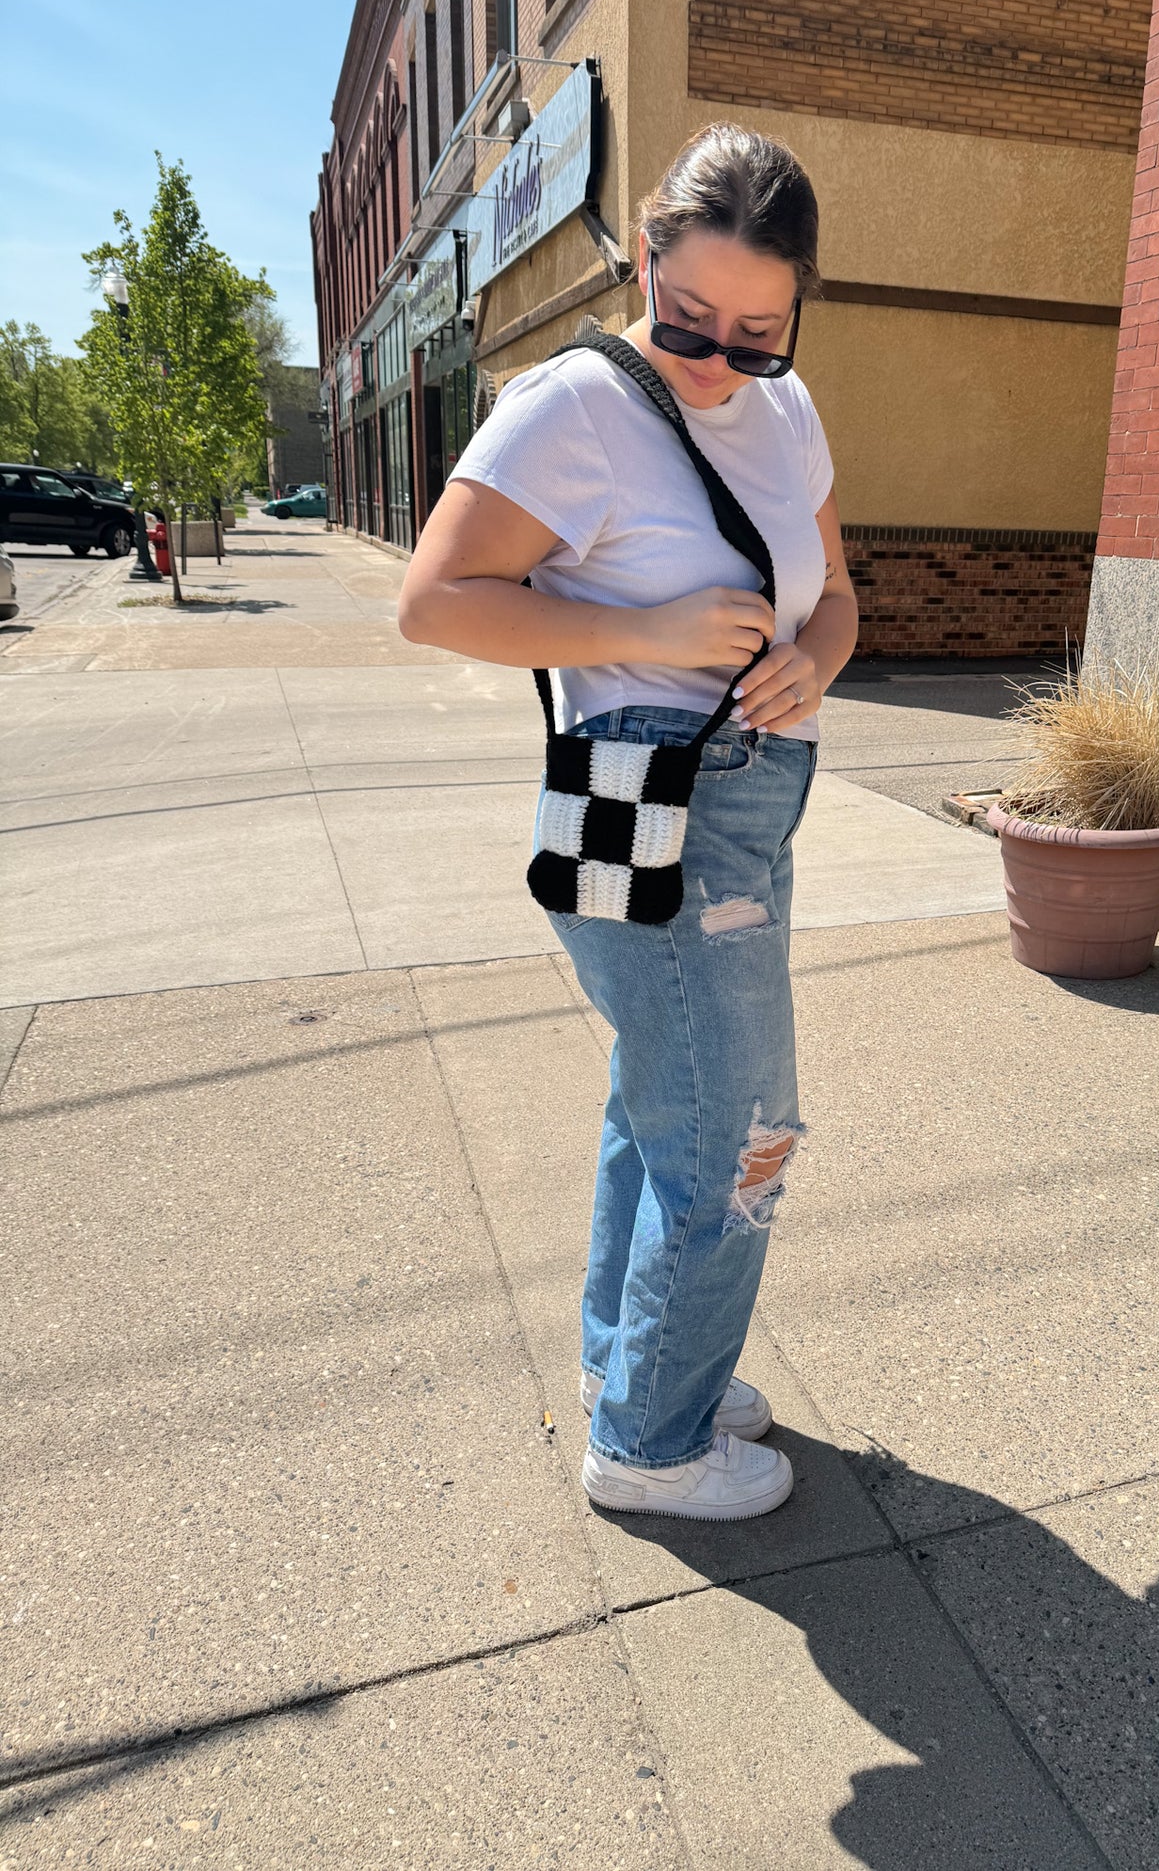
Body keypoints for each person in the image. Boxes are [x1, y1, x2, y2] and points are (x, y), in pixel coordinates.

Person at [398, 123, 858, 1521]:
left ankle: (641, 1367)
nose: (716, 361)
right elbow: (433, 601)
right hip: (652, 802)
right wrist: (644, 622)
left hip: (753, 799)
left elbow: (832, 592)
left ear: (796, 312)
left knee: (662, 1112)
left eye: (757, 334)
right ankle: (652, 1447)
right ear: (645, 260)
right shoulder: (570, 406)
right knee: (738, 1135)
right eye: (687, 319)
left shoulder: (785, 413)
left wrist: (816, 658)